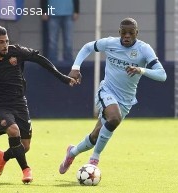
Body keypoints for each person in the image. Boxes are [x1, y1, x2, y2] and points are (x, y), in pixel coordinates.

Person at [0, 26, 76, 183]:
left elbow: (40, 59)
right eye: (1, 42)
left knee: (25, 146)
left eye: (7, 41)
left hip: (20, 103)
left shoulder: (16, 52)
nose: (5, 45)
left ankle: (4, 156)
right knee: (13, 131)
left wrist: (62, 77)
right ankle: (26, 170)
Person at [58, 17, 167, 174]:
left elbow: (162, 75)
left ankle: (72, 152)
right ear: (119, 32)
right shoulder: (110, 43)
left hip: (126, 100)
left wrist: (141, 70)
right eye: (124, 32)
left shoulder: (144, 49)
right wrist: (76, 67)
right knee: (114, 118)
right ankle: (94, 160)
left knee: (95, 136)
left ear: (137, 33)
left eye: (131, 33)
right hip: (107, 91)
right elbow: (87, 47)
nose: (127, 36)